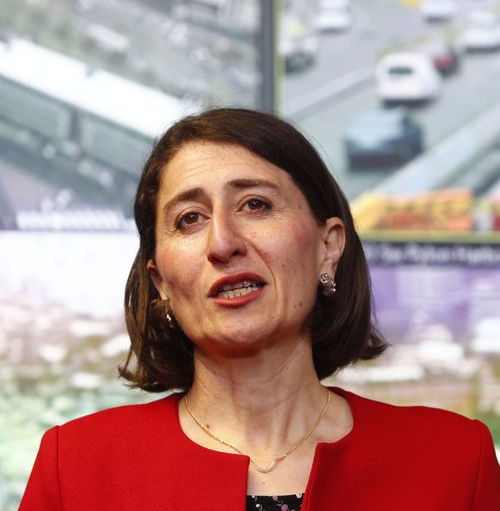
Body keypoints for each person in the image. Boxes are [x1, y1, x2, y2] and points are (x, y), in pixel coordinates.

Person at [20, 108, 500, 510]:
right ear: (160, 280)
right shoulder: (76, 469)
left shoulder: (456, 461)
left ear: (328, 247)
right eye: (189, 219)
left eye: (254, 205)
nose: (223, 243)